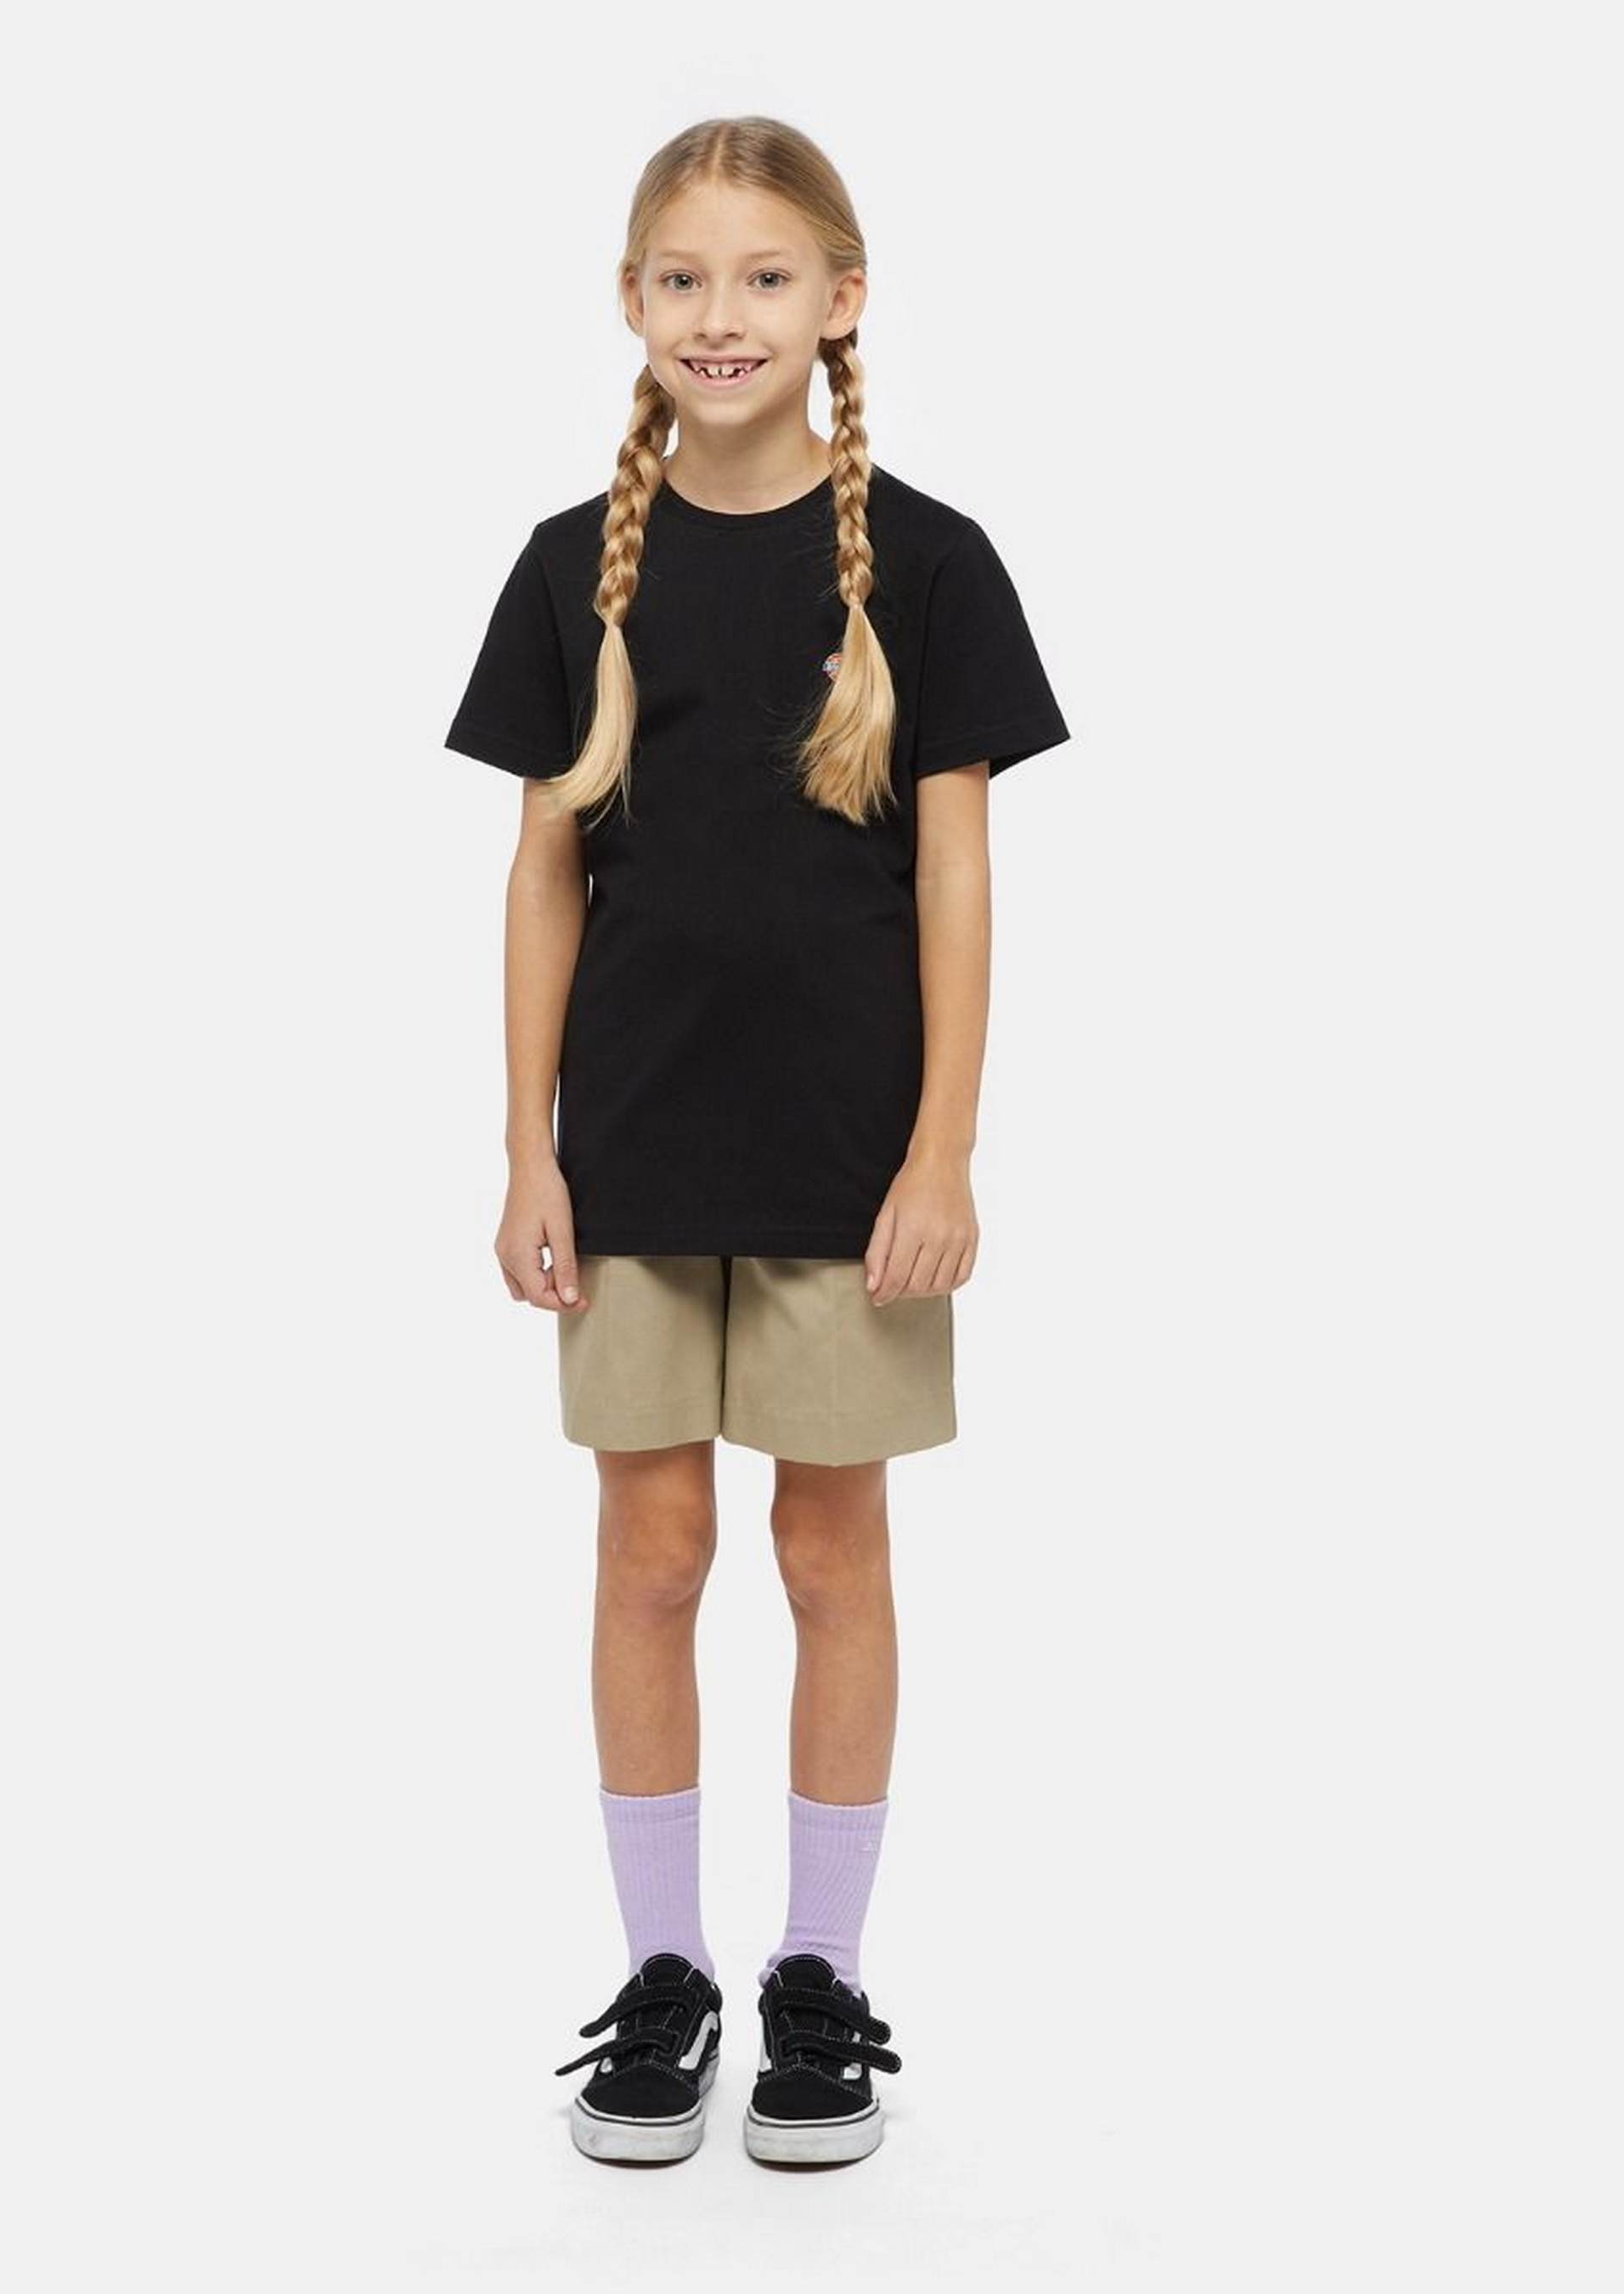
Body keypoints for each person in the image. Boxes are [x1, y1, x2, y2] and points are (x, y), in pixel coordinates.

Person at [443, 116, 1069, 2168]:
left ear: (840, 300)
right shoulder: (568, 568)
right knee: (648, 1553)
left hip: (842, 1164)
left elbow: (956, 880)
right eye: (684, 279)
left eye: (766, 277)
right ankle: (664, 1976)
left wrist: (940, 1152)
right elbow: (542, 873)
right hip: (630, 1153)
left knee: (825, 1550)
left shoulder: (934, 565)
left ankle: (817, 1974)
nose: (723, 317)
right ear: (631, 302)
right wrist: (528, 1151)